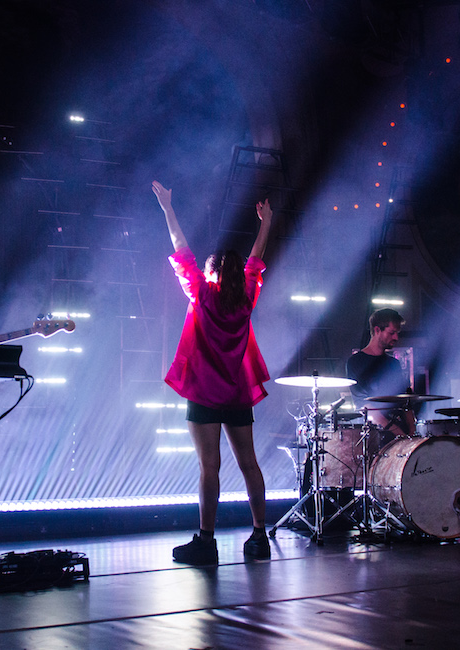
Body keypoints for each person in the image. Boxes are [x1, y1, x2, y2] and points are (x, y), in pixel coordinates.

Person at [152, 180, 272, 565]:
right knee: (249, 463)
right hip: (238, 394)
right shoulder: (246, 297)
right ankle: (259, 535)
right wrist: (265, 223)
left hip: (204, 393)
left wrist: (168, 209)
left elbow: (180, 247)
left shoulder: (202, 294)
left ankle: (206, 541)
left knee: (210, 467)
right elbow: (256, 258)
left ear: (211, 272)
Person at [346, 308, 415, 447]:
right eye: (391, 333)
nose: (396, 337)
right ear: (377, 330)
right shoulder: (356, 362)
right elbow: (363, 404)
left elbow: (406, 401)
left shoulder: (394, 364)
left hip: (402, 433)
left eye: (397, 333)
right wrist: (397, 432)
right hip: (375, 434)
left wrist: (412, 432)